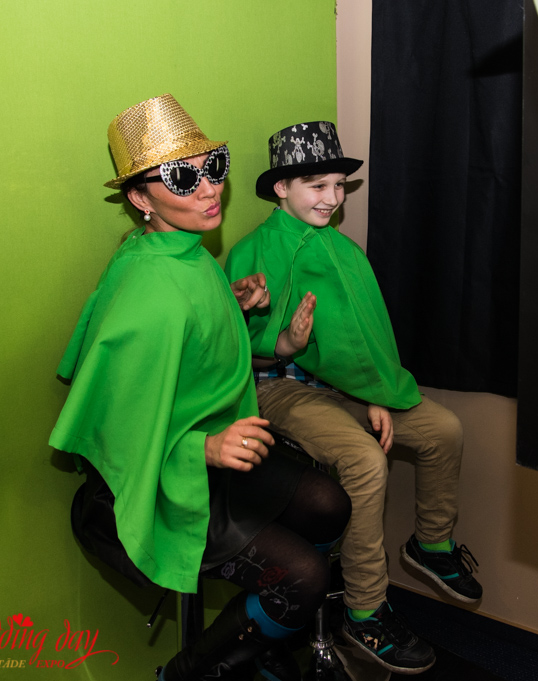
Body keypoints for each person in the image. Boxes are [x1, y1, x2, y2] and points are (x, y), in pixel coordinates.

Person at [49, 96, 351, 681]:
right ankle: (186, 673)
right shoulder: (150, 288)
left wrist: (230, 307)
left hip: (210, 448)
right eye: (182, 178)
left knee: (329, 504)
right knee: (303, 577)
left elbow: (178, 355)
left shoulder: (183, 249)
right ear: (141, 199)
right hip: (159, 472)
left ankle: (261, 642)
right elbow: (113, 418)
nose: (210, 189)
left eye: (214, 167)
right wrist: (204, 448)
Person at [225, 121, 482, 676]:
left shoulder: (344, 251)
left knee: (443, 429)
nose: (332, 197)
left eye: (339, 185)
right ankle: (365, 610)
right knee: (365, 459)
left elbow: (362, 341)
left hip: (339, 388)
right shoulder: (252, 252)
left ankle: (432, 544)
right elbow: (234, 357)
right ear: (281, 189)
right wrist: (285, 343)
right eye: (317, 185)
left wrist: (373, 392)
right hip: (278, 389)